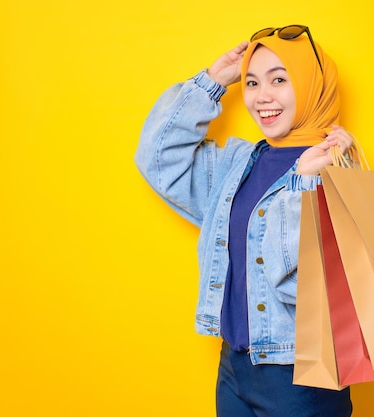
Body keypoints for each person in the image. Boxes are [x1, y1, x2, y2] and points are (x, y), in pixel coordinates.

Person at [135, 25, 354, 417]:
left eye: (279, 80)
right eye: (251, 82)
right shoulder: (238, 163)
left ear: (311, 85)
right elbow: (156, 157)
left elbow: (303, 289)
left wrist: (302, 183)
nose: (261, 96)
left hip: (302, 379)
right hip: (234, 367)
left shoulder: (334, 167)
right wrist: (212, 82)